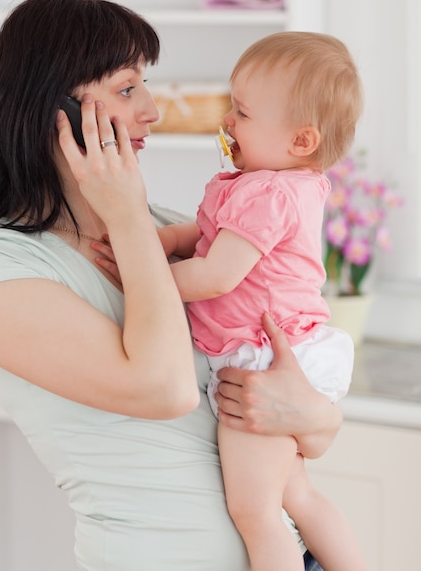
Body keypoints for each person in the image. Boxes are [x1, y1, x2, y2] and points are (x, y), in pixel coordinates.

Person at [0, 0, 340, 570]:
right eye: (127, 89)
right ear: (53, 109)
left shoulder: (177, 233)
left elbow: (314, 426)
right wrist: (126, 214)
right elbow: (166, 388)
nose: (152, 110)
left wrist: (315, 415)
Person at [157, 32, 368, 571]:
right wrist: (168, 240)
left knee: (255, 512)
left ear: (300, 141)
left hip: (262, 361)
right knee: (297, 496)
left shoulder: (270, 193)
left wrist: (143, 276)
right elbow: (207, 236)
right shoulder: (277, 185)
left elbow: (216, 274)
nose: (228, 120)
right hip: (283, 353)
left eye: (243, 112)